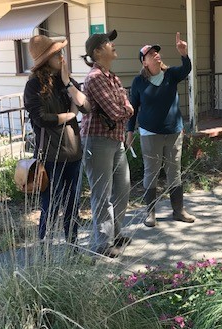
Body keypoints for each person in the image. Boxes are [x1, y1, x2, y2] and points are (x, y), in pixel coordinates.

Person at [23, 35, 90, 245]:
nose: (62, 57)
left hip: (74, 154)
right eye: (57, 54)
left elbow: (87, 107)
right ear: (46, 59)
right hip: (51, 157)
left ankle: (72, 248)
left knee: (72, 206)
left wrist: (68, 83)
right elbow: (41, 119)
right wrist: (70, 116)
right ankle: (45, 252)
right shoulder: (33, 86)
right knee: (50, 206)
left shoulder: (66, 81)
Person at [126, 32, 195, 227]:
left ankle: (178, 211)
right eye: (150, 54)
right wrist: (130, 133)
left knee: (175, 172)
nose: (156, 54)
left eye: (156, 52)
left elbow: (186, 69)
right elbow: (133, 109)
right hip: (150, 134)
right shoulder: (139, 82)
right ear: (144, 62)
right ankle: (150, 214)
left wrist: (184, 53)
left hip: (173, 131)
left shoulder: (171, 75)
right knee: (152, 173)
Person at [80, 29, 134, 258]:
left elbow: (126, 107)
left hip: (115, 139)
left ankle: (116, 233)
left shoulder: (112, 77)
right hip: (97, 140)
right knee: (102, 193)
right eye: (107, 43)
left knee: (122, 188)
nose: (113, 45)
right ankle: (103, 243)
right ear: (97, 51)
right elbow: (116, 111)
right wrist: (126, 110)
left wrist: (125, 109)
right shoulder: (95, 78)